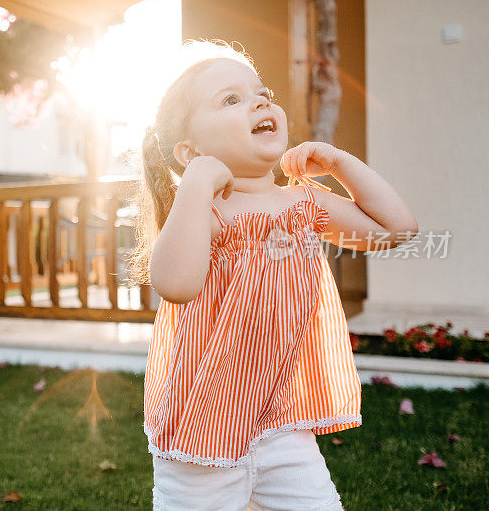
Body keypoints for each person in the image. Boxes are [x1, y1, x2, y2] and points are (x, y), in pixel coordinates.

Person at [127, 40, 419, 510]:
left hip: (283, 422)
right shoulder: (208, 211)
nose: (261, 102)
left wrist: (339, 164)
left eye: (262, 93)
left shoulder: (304, 205)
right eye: (231, 99)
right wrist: (197, 184)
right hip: (203, 427)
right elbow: (176, 285)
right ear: (190, 150)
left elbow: (397, 230)